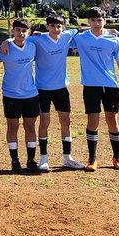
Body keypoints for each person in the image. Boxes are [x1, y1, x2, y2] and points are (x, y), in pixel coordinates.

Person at [24, 15, 86, 172]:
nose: (56, 29)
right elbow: (19, 39)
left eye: (59, 26)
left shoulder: (66, 36)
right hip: (43, 88)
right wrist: (4, 42)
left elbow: (86, 29)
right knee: (45, 121)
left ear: (63, 27)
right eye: (52, 26)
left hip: (61, 88)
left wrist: (108, 30)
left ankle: (67, 157)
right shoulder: (37, 39)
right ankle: (43, 158)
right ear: (47, 26)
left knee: (66, 121)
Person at [73, 8, 119, 171]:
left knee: (112, 119)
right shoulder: (81, 38)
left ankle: (117, 157)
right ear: (88, 21)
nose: (96, 23)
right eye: (93, 20)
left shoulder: (113, 40)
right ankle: (92, 159)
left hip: (110, 86)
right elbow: (61, 36)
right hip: (90, 86)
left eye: (99, 20)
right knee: (93, 120)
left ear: (105, 20)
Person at [0, 19, 40, 173]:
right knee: (12, 127)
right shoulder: (5, 49)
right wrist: (4, 42)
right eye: (17, 30)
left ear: (28, 32)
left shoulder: (33, 46)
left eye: (24, 31)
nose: (21, 33)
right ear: (13, 31)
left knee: (30, 127)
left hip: (30, 94)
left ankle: (31, 160)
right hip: (11, 95)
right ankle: (14, 160)